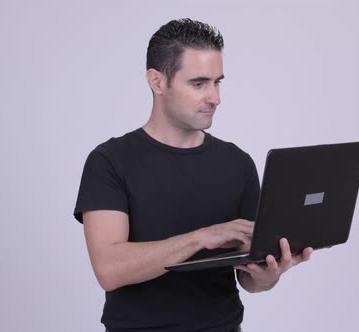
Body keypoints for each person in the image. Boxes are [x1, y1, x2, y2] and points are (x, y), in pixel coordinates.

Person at [73, 18, 313, 332]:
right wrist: (203, 237)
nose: (214, 97)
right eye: (199, 83)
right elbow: (109, 269)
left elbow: (247, 277)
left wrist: (267, 276)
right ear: (157, 82)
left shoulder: (237, 163)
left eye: (218, 82)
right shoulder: (109, 161)